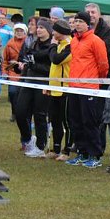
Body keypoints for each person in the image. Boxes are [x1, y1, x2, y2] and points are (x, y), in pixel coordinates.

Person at [65, 11, 110, 168]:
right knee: (75, 121)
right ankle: (82, 152)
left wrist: (96, 80)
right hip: (74, 87)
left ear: (87, 24)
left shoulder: (96, 41)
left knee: (89, 121)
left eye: (80, 21)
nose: (77, 24)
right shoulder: (73, 41)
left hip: (89, 87)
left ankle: (95, 154)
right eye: (75, 21)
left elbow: (103, 64)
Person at [16, 18, 55, 157]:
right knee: (20, 112)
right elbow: (26, 62)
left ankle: (40, 146)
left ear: (49, 31)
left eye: (42, 28)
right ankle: (28, 138)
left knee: (40, 115)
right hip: (28, 81)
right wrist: (22, 70)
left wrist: (34, 65)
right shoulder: (32, 43)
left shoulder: (52, 46)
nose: (38, 30)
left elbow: (51, 68)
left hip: (43, 83)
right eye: (38, 27)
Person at [48, 20, 73, 160]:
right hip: (54, 88)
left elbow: (56, 60)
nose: (52, 33)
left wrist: (51, 45)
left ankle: (67, 150)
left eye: (55, 31)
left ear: (61, 32)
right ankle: (56, 148)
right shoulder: (58, 44)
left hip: (66, 89)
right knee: (55, 120)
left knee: (67, 121)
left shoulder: (70, 45)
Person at [2, 22, 27, 123]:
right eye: (17, 31)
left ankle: (22, 115)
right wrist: (4, 72)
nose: (19, 33)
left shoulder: (29, 42)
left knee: (23, 95)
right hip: (12, 72)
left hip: (25, 72)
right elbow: (5, 60)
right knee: (12, 93)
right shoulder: (9, 43)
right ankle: (14, 113)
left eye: (21, 31)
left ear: (25, 32)